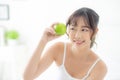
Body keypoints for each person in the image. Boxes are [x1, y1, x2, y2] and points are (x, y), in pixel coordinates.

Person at [23, 7, 107, 80]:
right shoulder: (58, 48)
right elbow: (28, 77)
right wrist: (43, 41)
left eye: (84, 29)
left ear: (95, 32)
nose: (77, 36)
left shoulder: (99, 67)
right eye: (73, 28)